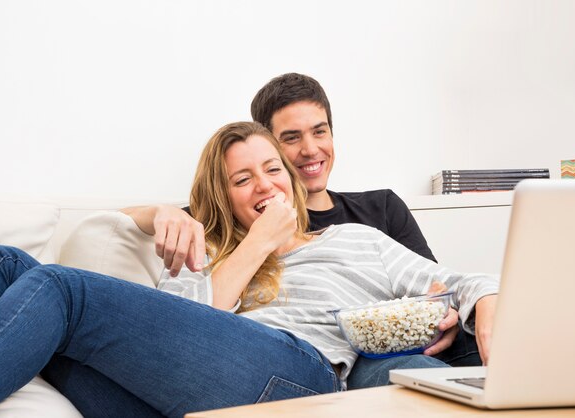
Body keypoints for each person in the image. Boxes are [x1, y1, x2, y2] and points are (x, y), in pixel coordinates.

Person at [0, 122, 498, 418]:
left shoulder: (357, 239)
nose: (264, 185)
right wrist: (248, 243)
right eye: (243, 180)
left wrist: (487, 302)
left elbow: (463, 281)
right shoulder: (205, 251)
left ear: (291, 179)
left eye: (272, 170)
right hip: (179, 395)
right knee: (2, 261)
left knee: (62, 289)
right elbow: (187, 330)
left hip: (300, 378)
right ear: (223, 198)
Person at [130, 74, 479, 388]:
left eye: (319, 131)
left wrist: (448, 307)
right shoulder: (227, 225)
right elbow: (121, 231)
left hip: (395, 349)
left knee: (467, 338)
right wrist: (158, 212)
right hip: (318, 364)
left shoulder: (375, 215)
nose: (310, 149)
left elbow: (440, 286)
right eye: (292, 137)